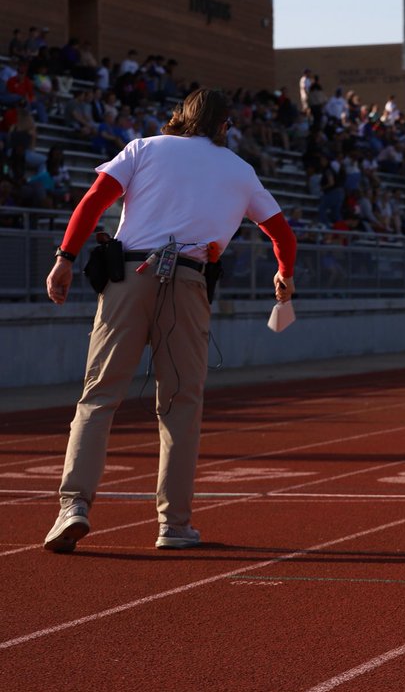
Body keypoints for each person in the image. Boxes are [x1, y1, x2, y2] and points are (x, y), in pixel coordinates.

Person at [41, 88, 297, 554]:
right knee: (180, 406)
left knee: (98, 397)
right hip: (188, 283)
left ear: (180, 116)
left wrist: (65, 258)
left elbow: (95, 200)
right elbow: (282, 235)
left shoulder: (143, 148)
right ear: (224, 126)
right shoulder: (240, 170)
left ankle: (73, 505)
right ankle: (174, 524)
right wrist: (284, 274)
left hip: (128, 279)